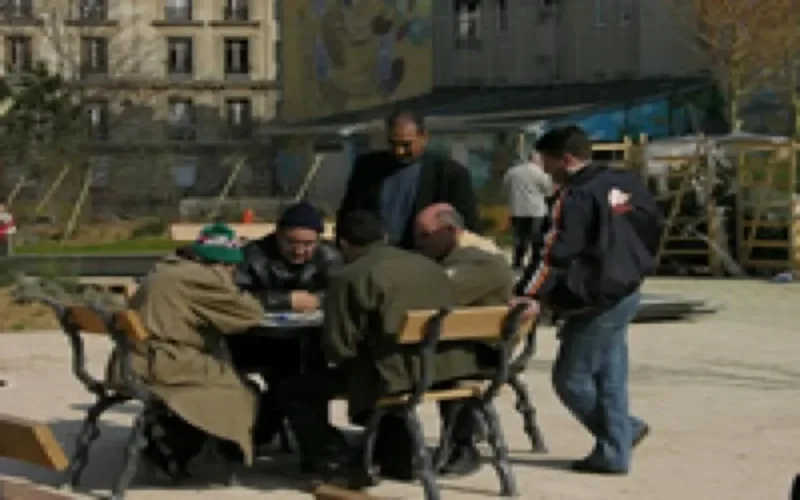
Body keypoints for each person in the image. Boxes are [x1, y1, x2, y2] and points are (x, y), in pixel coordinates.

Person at [277, 210, 485, 480]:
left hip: (397, 375)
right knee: (374, 374)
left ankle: (335, 456)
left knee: (293, 390)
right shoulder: (428, 265)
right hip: (448, 367)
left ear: (342, 244)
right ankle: (391, 453)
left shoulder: (351, 276)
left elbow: (339, 350)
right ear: (385, 237)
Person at [513, 125, 662, 474]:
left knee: (571, 379)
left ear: (565, 159)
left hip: (593, 297)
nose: (545, 172)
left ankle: (622, 433)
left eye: (547, 163)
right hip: (626, 289)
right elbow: (652, 225)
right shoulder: (626, 184)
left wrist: (527, 294)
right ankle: (614, 451)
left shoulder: (575, 196)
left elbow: (553, 253)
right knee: (610, 376)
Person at [107, 223, 266, 474]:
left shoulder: (167, 268)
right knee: (241, 388)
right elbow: (251, 313)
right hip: (161, 364)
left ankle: (175, 443)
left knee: (228, 378)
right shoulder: (198, 277)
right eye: (230, 267)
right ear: (220, 263)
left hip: (132, 360)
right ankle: (179, 449)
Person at [414, 203, 515, 475]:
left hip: (484, 352)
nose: (418, 242)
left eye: (425, 235)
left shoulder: (478, 259)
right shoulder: (451, 255)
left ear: (450, 230)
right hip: (458, 344)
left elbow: (435, 296)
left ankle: (463, 446)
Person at [230, 201, 342, 445]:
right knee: (289, 374)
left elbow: (338, 292)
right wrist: (285, 300)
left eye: (308, 244)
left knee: (306, 370)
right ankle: (289, 433)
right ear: (278, 235)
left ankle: (306, 438)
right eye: (292, 242)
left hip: (308, 336)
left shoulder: (329, 257)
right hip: (255, 338)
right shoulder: (253, 255)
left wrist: (316, 300)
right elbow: (236, 297)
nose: (300, 251)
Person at [336, 110, 480, 249]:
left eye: (406, 144)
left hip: (427, 259)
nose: (399, 151)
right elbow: (348, 214)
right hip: (376, 257)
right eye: (393, 144)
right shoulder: (367, 167)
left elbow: (468, 226)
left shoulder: (450, 174)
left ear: (424, 137)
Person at [503, 151, 552, 269]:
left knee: (519, 237)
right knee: (536, 238)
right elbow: (548, 190)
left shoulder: (512, 172)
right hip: (536, 211)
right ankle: (535, 262)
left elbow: (505, 188)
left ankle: (517, 262)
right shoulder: (540, 173)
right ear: (537, 160)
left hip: (517, 210)